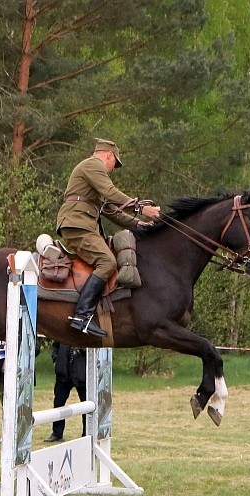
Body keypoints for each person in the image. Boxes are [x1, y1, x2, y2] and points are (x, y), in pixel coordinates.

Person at [55, 138, 161, 338]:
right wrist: (141, 208)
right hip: (77, 224)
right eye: (115, 164)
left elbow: (112, 211)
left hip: (82, 225)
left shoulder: (94, 175)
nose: (113, 169)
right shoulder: (92, 165)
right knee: (107, 261)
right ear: (109, 155)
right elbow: (110, 193)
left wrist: (139, 224)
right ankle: (81, 316)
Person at [45, 341, 87, 442]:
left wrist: (83, 348)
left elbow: (93, 351)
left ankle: (87, 433)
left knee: (87, 405)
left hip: (82, 374)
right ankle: (57, 433)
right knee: (58, 403)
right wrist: (56, 360)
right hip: (64, 373)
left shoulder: (86, 332)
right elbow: (56, 346)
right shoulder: (63, 331)